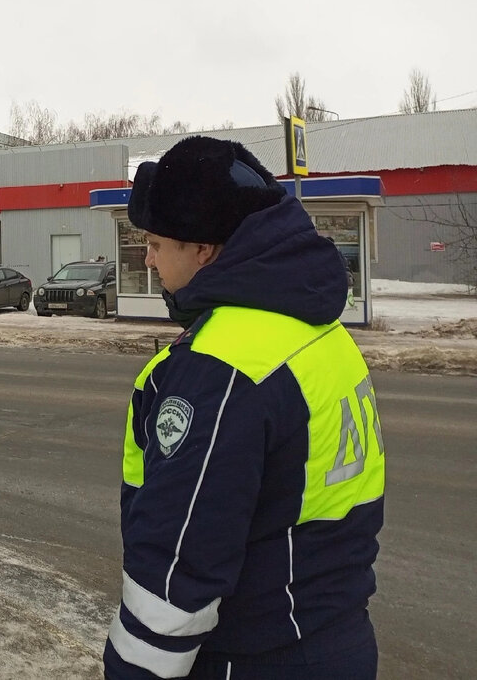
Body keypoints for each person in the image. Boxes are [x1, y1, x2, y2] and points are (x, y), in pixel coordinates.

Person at [104, 136, 384, 680]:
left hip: (252, 655)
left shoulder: (221, 367)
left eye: (158, 242)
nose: (147, 257)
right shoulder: (317, 326)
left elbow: (179, 563)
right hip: (336, 636)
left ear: (204, 250)